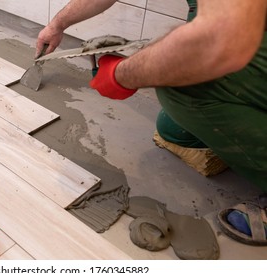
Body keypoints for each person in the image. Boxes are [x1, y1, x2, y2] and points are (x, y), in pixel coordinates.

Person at [36, 0, 267, 246]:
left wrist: (120, 76)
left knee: (185, 88)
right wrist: (57, 24)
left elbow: (216, 40)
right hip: (244, 34)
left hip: (241, 37)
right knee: (174, 129)